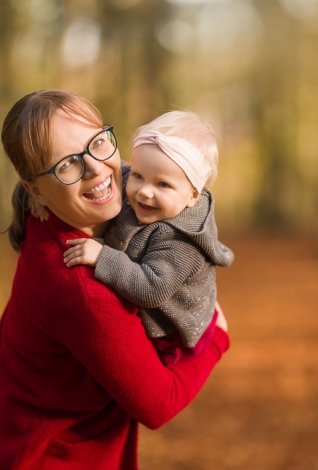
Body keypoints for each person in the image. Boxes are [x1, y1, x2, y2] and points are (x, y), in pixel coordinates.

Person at [0, 90, 230, 470]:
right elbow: (158, 404)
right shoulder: (80, 286)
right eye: (68, 164)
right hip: (46, 457)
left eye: (97, 142)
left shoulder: (64, 205)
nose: (98, 168)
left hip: (3, 433)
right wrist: (218, 336)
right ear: (35, 189)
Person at [61, 111, 234, 366]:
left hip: (171, 331)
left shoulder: (181, 242)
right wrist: (43, 192)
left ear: (192, 196)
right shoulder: (138, 182)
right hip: (152, 304)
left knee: (143, 368)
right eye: (139, 176)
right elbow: (108, 172)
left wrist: (103, 257)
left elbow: (152, 290)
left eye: (163, 185)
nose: (144, 191)